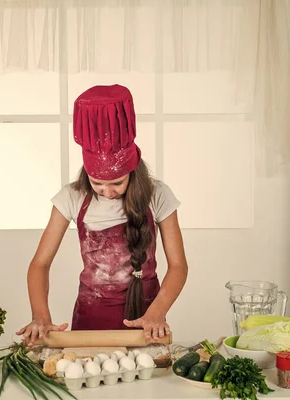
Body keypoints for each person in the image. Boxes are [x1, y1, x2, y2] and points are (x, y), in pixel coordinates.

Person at [17, 84, 189, 347]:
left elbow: (178, 266)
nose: (107, 191)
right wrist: (40, 316)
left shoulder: (158, 195)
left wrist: (157, 312)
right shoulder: (72, 196)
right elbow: (39, 264)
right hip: (91, 319)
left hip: (147, 319)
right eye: (97, 183)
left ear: (133, 171)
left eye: (117, 183)